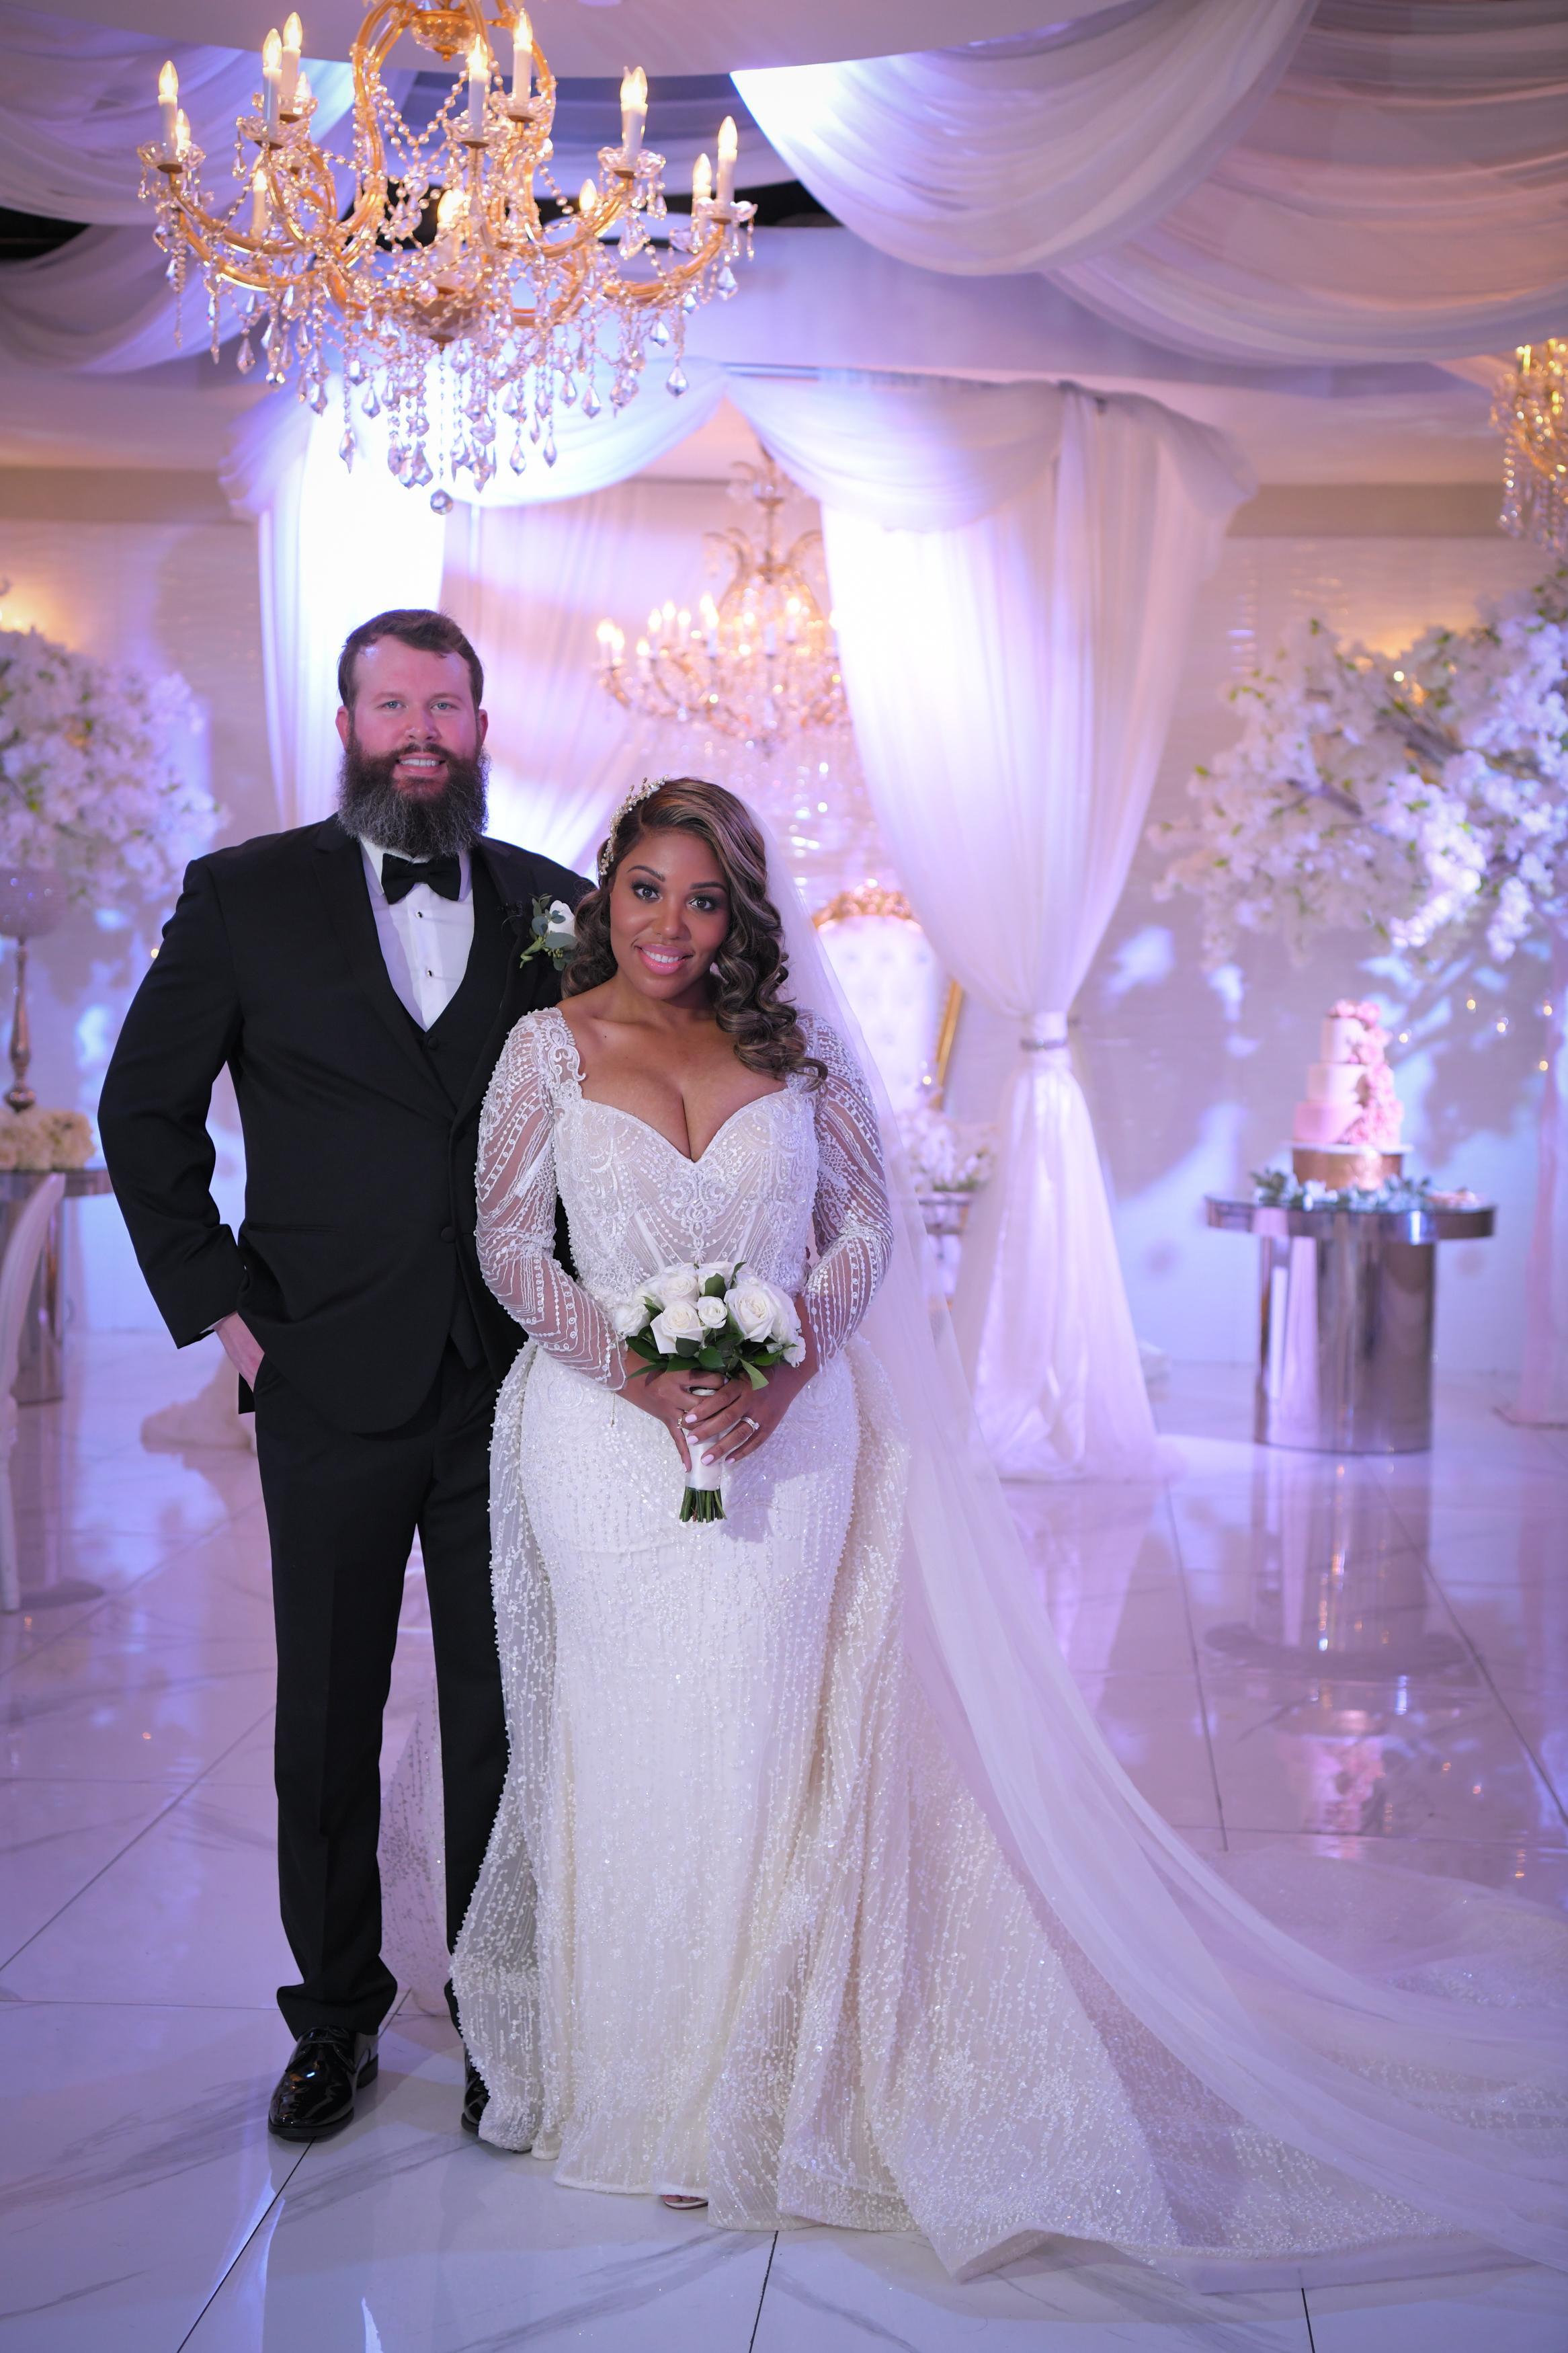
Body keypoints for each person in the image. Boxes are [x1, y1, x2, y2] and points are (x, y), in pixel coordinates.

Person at [442, 776, 1565, 2286]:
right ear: (608, 891)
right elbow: (510, 1244)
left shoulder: (792, 1050)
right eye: (648, 889)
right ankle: (633, 2083)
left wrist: (790, 1364)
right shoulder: (547, 1046)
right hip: (601, 1440)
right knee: (629, 1740)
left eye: (704, 900)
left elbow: (862, 1232)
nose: (671, 926)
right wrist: (636, 1371)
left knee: (767, 1738)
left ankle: (757, 2091)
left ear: (739, 916)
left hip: (790, 1436)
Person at [98, 608, 589, 2144]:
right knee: (326, 1710)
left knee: (504, 1707)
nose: (421, 732)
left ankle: (500, 2016)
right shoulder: (243, 896)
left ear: (483, 728)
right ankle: (333, 2019)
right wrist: (224, 1311)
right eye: (394, 706)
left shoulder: (559, 908)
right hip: (322, 1366)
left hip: (513, 1377)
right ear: (348, 724)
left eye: (446, 706)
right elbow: (143, 1111)